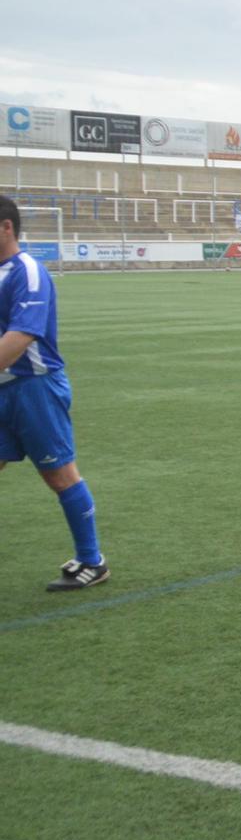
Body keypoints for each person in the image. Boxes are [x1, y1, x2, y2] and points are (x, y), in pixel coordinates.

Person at [0, 195, 108, 591]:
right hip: (3, 389)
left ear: (7, 227)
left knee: (60, 476)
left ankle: (92, 561)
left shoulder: (27, 271)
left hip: (34, 388)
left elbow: (22, 334)